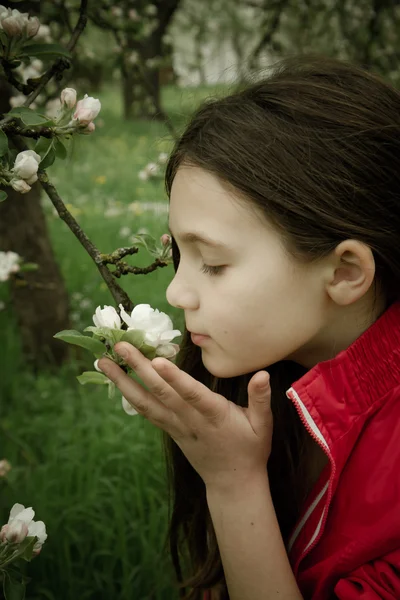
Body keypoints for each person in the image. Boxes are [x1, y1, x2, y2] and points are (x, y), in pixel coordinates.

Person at [98, 54, 400, 599]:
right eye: (179, 255)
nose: (175, 292)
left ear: (346, 271)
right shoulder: (268, 377)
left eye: (213, 264)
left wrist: (235, 484)